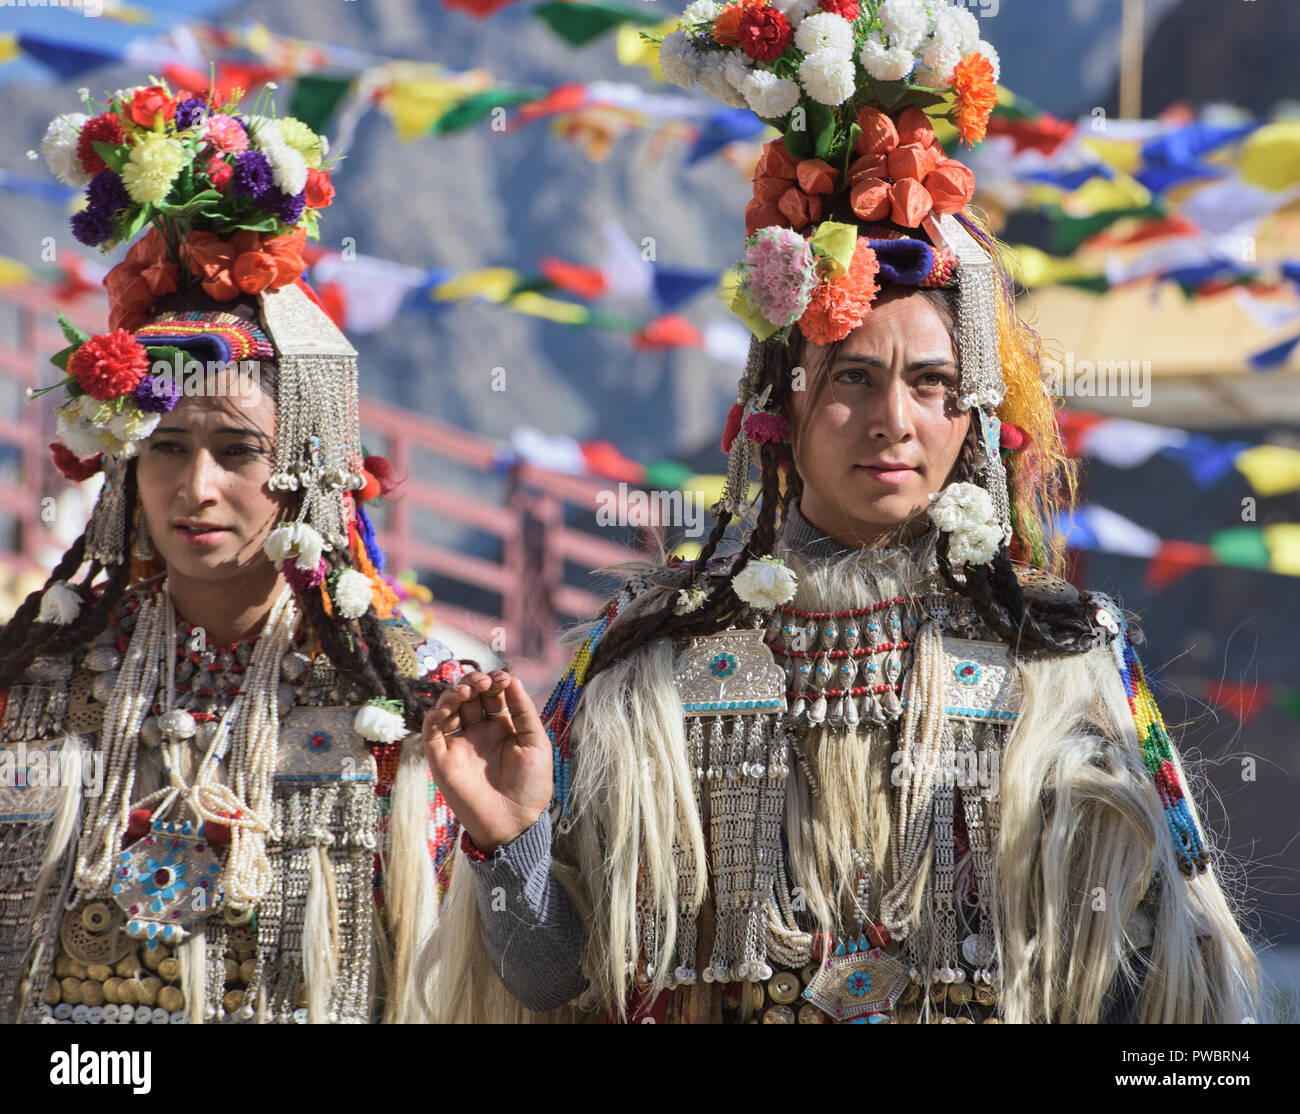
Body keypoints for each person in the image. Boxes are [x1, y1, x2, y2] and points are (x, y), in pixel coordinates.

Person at [419, 2, 1261, 1024]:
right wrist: (514, 845)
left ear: (976, 417)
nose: (892, 422)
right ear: (783, 401)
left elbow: (1159, 985)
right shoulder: (641, 670)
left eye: (932, 386)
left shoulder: (1065, 666)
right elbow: (554, 979)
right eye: (854, 377)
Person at [0, 79, 463, 1024]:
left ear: (306, 463)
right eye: (165, 448)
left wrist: (514, 848)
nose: (196, 488)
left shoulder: (407, 704)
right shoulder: (36, 678)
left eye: (238, 451)